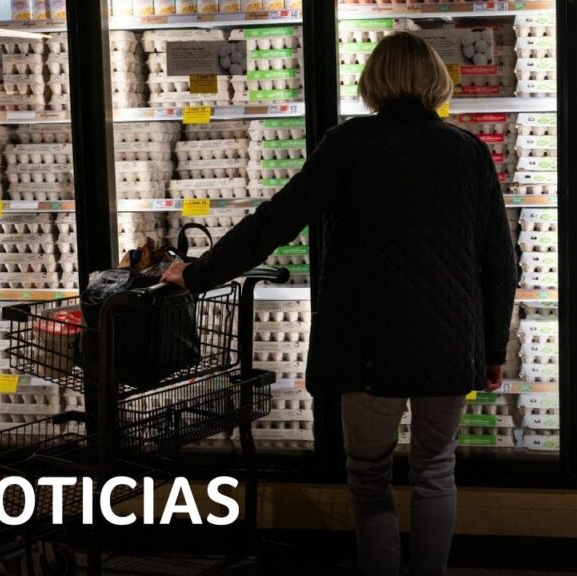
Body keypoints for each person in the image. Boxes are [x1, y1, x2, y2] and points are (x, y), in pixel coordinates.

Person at [161, 32, 515, 576]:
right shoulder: (469, 151)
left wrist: (199, 274)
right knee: (435, 471)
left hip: (368, 340)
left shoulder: (349, 144)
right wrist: (492, 349)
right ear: (435, 81)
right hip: (450, 342)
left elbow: (276, 221)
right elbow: (500, 263)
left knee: (369, 474)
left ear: (374, 81)